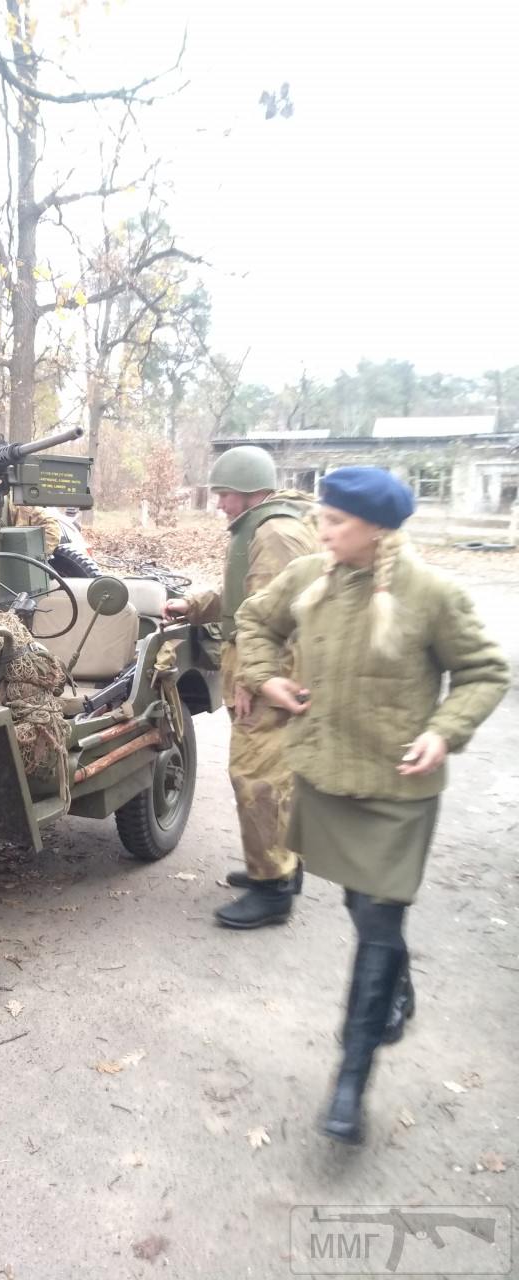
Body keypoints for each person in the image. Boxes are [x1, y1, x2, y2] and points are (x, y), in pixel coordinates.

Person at [235, 466, 509, 1143]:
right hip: (327, 775)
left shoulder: (432, 594)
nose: (320, 531)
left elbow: (485, 671)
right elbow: (253, 619)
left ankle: (351, 1078)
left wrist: (444, 733)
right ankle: (397, 984)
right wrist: (266, 677)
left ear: (377, 529)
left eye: (335, 523)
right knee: (362, 904)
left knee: (377, 921)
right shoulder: (311, 578)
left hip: (397, 788)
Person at [163, 445, 320, 928]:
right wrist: (193, 604)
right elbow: (246, 598)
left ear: (251, 491)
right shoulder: (265, 527)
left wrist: (256, 676)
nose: (220, 504)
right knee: (275, 774)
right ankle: (280, 869)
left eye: (225, 494)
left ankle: (273, 890)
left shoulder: (274, 533)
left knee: (258, 778)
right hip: (268, 671)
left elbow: (277, 619)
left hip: (271, 676)